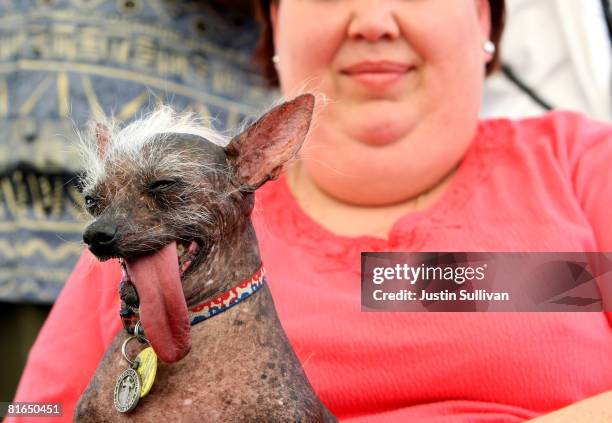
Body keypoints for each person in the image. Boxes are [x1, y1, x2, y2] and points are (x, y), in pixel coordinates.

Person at [11, 0, 612, 421]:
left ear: (483, 16)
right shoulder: (160, 221)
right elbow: (33, 410)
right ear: (275, 23)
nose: (374, 19)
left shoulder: (579, 166)